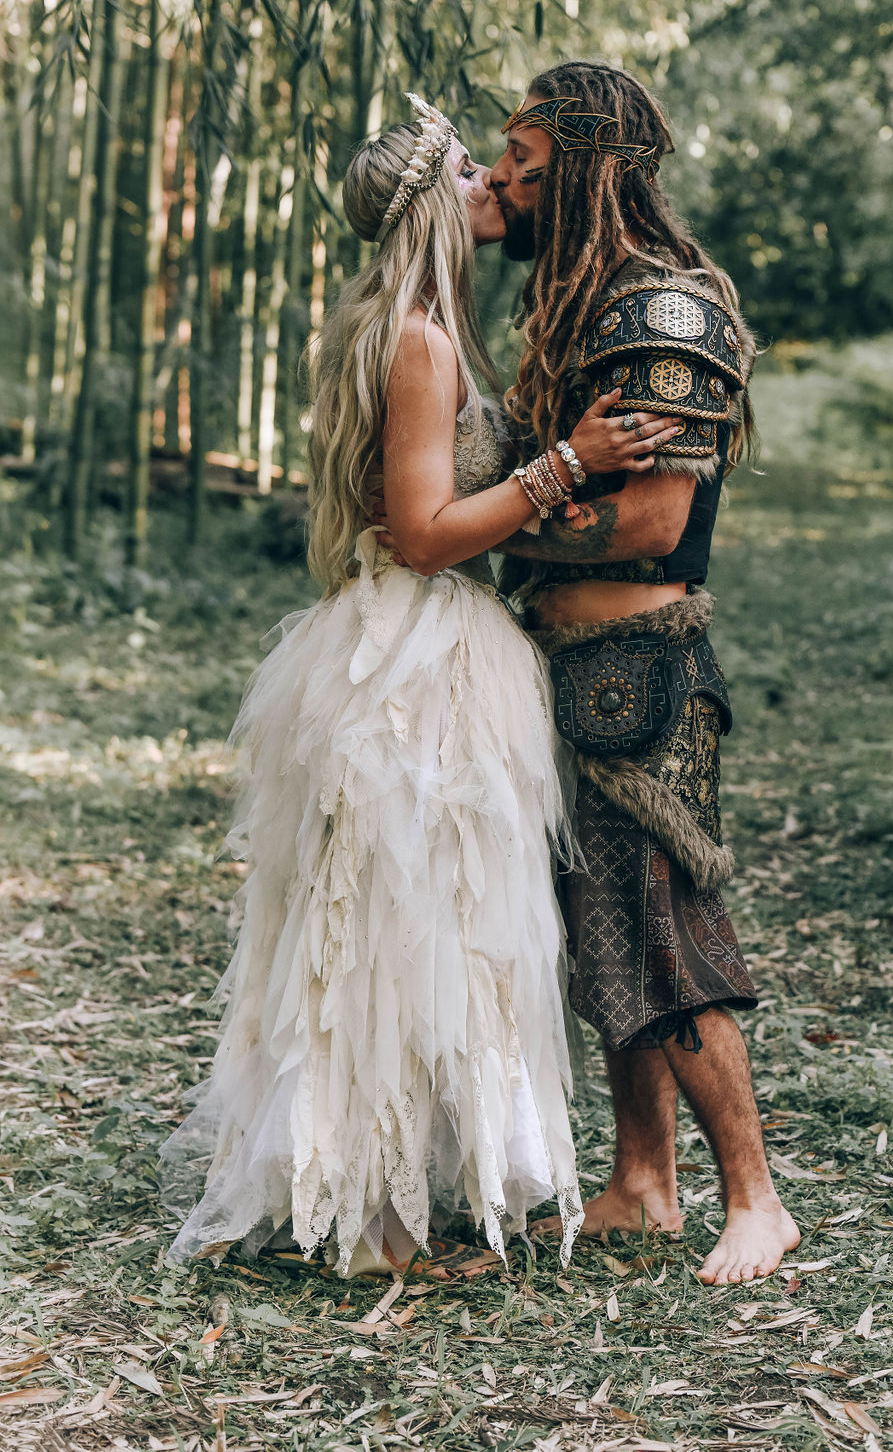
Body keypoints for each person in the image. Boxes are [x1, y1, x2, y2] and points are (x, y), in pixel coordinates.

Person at [158, 94, 682, 1279]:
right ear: (429, 208)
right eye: (469, 172)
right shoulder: (418, 342)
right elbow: (426, 530)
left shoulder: (427, 329)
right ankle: (376, 1222)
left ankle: (391, 1196)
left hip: (426, 641)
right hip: (411, 653)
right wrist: (570, 463)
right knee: (399, 924)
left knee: (426, 921)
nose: (495, 182)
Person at [488, 62, 801, 1285]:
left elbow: (654, 522)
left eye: (523, 163)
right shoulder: (583, 303)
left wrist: (504, 514)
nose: (504, 182)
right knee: (601, 927)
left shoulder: (663, 312)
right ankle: (642, 1180)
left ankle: (755, 1197)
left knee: (667, 931)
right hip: (571, 661)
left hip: (643, 670)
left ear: (583, 171)